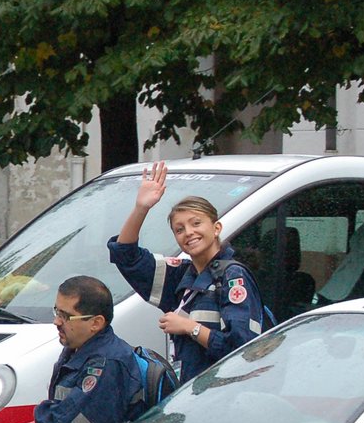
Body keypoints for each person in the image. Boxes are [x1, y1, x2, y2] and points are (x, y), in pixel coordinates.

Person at [109, 161, 266, 382]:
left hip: (224, 393)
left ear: (216, 228)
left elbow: (242, 348)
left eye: (196, 223)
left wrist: (189, 327)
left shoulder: (232, 277)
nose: (189, 233)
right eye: (179, 230)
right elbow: (125, 255)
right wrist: (141, 208)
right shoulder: (181, 275)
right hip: (189, 394)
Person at [33, 275, 140, 423]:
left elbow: (60, 422)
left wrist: (41, 412)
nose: (56, 321)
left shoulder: (106, 363)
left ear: (96, 323)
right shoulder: (76, 347)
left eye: (66, 316)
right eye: (57, 311)